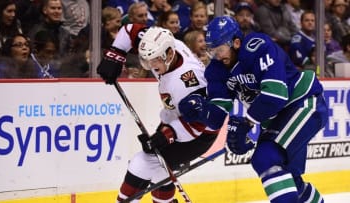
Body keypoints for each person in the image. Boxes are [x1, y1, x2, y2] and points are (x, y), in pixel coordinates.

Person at [179, 16, 329, 203]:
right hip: (278, 118)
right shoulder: (216, 70)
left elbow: (275, 96)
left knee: (265, 158)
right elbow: (217, 117)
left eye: (220, 49)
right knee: (289, 178)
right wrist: (200, 110)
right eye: (212, 51)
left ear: (236, 42)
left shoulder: (257, 46)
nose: (216, 56)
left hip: (302, 103)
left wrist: (246, 123)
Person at [96, 25, 219, 202]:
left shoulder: (189, 82)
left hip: (200, 132)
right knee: (158, 168)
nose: (151, 66)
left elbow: (198, 124)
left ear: (169, 54)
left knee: (143, 163)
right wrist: (115, 54)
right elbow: (130, 30)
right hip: (176, 118)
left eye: (155, 60)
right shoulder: (159, 44)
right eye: (147, 60)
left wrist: (166, 135)